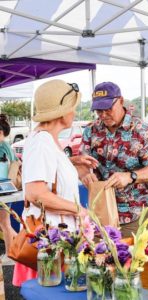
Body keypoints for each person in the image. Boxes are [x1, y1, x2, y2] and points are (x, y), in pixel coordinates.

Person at [13, 79, 98, 286]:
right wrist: (79, 210)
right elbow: (36, 193)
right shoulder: (42, 142)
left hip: (54, 240)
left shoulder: (47, 139)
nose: (75, 113)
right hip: (50, 242)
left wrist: (72, 163)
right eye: (73, 107)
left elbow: (48, 174)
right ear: (62, 111)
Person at [79, 81, 148, 237]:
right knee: (99, 258)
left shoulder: (142, 131)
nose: (103, 115)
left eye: (108, 109)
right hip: (100, 210)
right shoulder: (91, 130)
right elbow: (81, 162)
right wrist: (84, 173)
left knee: (132, 258)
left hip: (133, 213)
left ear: (121, 101)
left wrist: (130, 176)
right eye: (98, 111)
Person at [0, 114, 18, 265]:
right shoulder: (5, 146)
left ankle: (10, 254)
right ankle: (22, 243)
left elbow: (14, 164)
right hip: (5, 189)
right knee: (4, 223)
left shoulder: (3, 146)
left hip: (4, 190)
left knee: (4, 223)